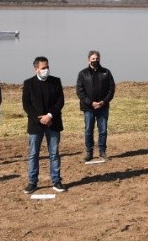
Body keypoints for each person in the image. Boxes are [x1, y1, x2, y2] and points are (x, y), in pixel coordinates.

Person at [22, 56, 66, 194]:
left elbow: (60, 101)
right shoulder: (29, 83)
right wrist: (39, 118)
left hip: (53, 122)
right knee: (33, 154)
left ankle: (56, 180)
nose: (46, 70)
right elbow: (27, 105)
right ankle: (32, 182)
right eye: (43, 68)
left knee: (54, 153)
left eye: (47, 67)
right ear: (36, 69)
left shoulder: (56, 81)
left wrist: (49, 115)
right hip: (36, 125)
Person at [76, 50, 116, 161]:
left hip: (103, 107)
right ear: (88, 60)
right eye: (93, 59)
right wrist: (90, 103)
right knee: (89, 129)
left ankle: (102, 151)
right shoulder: (82, 74)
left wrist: (104, 102)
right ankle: (89, 152)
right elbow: (80, 91)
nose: (95, 60)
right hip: (88, 108)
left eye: (97, 58)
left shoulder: (106, 72)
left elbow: (111, 89)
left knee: (103, 130)